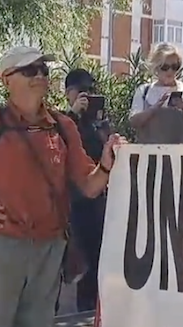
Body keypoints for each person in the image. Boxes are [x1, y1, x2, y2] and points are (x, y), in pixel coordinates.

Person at [0, 45, 125, 327]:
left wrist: (106, 164)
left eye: (44, 70)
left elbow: (90, 186)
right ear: (7, 79)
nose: (40, 76)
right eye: (30, 70)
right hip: (1, 246)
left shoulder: (64, 126)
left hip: (50, 248)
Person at [63, 68, 109, 312]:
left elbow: (107, 149)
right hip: (71, 200)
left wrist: (102, 126)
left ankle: (89, 309)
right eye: (81, 91)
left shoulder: (96, 121)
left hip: (96, 197)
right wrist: (74, 114)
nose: (86, 96)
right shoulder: (62, 119)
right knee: (72, 258)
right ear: (68, 93)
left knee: (95, 257)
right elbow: (57, 140)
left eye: (90, 91)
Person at [129, 43, 183, 144]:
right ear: (156, 67)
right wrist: (155, 108)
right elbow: (134, 122)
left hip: (182, 156)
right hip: (151, 155)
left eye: (175, 66)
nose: (170, 71)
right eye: (165, 67)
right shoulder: (144, 91)